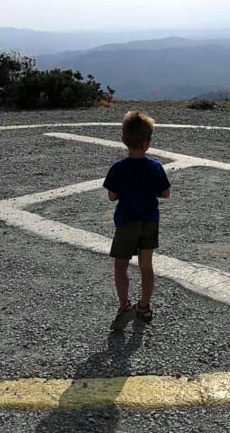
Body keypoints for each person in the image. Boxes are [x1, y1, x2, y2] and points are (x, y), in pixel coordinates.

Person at [103, 111, 171, 331]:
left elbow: (112, 196)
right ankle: (144, 307)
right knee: (146, 266)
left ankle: (124, 306)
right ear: (147, 143)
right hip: (150, 221)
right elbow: (165, 193)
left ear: (123, 140)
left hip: (127, 222)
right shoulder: (155, 167)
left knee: (121, 265)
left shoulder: (118, 169)